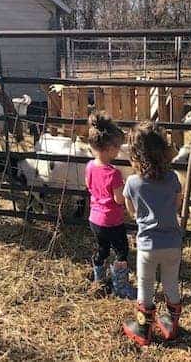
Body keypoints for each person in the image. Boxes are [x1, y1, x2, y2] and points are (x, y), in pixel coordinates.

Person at [122, 122, 183, 346]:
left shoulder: (133, 182)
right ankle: (171, 326)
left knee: (145, 284)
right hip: (173, 243)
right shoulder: (174, 178)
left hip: (147, 245)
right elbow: (177, 205)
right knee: (171, 283)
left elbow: (131, 211)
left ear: (136, 155)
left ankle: (143, 329)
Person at [86, 113, 136, 299]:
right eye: (117, 147)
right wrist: (126, 188)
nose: (118, 151)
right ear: (108, 148)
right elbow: (119, 200)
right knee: (122, 251)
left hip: (94, 219)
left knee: (102, 249)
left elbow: (89, 185)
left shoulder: (90, 166)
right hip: (112, 221)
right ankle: (120, 286)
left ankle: (99, 278)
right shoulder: (113, 173)